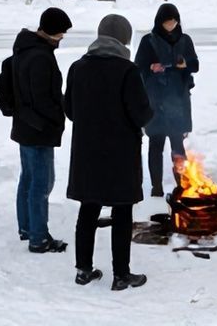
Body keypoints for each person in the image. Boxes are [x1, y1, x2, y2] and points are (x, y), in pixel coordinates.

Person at [64, 15, 153, 291]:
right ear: (123, 38)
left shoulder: (78, 68)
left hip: (87, 151)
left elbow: (69, 110)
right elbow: (140, 114)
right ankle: (121, 275)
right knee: (121, 211)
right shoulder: (127, 70)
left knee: (88, 209)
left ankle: (83, 270)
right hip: (120, 152)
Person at [10, 7, 73, 253]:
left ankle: (27, 227)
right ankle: (38, 237)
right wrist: (59, 115)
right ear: (52, 31)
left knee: (28, 179)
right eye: (61, 33)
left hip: (25, 126)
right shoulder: (40, 57)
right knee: (41, 183)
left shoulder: (24, 50)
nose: (62, 38)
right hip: (39, 129)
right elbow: (42, 98)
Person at [134, 3, 200, 197]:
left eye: (173, 22)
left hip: (178, 100)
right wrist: (152, 68)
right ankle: (156, 186)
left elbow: (195, 65)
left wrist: (184, 64)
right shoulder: (149, 40)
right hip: (156, 100)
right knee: (156, 144)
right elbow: (139, 66)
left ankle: (182, 183)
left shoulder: (185, 40)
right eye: (167, 22)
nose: (171, 25)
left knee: (177, 145)